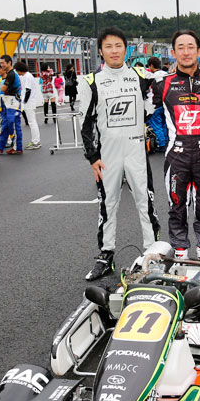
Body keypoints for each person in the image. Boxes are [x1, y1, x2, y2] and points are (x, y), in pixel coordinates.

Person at [81, 27, 161, 280]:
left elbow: (162, 92)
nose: (114, 51)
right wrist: (92, 157)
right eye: (108, 46)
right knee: (107, 205)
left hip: (136, 150)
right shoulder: (91, 81)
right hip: (108, 155)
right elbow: (85, 124)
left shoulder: (141, 76)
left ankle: (152, 255)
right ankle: (106, 255)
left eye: (118, 46)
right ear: (101, 51)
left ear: (126, 49)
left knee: (146, 202)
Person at [149, 30, 200, 261]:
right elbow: (143, 106)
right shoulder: (161, 84)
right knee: (176, 204)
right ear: (173, 53)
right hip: (176, 155)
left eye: (191, 47)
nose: (186, 52)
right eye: (180, 47)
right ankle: (180, 249)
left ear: (199, 52)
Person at [0, 55, 22, 155]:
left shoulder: (11, 74)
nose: (1, 65)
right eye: (0, 63)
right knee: (5, 124)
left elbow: (2, 89)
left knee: (13, 124)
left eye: (3, 63)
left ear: (9, 63)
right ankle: (0, 146)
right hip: (6, 102)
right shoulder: (8, 75)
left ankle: (18, 147)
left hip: (13, 102)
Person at [15, 60, 42, 149]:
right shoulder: (27, 75)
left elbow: (27, 90)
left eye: (17, 70)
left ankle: (36, 142)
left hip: (29, 102)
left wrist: (24, 101)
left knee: (32, 122)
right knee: (32, 122)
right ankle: (35, 141)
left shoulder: (27, 76)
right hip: (30, 101)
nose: (17, 73)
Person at [144, 56, 169, 151]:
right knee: (165, 124)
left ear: (151, 65)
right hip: (167, 103)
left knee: (157, 125)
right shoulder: (167, 75)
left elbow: (147, 90)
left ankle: (161, 144)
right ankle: (166, 142)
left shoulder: (152, 76)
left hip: (155, 104)